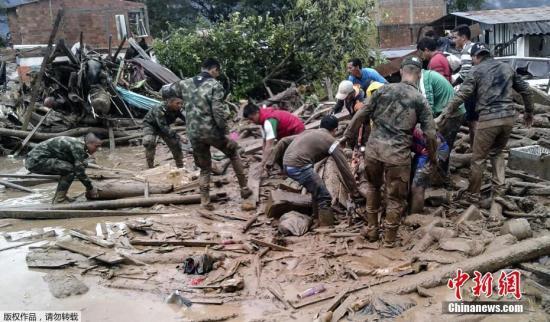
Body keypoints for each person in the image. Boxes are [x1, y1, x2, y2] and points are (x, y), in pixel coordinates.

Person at [343, 56, 437, 247]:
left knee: (373, 188)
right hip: (397, 156)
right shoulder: (420, 100)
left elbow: (361, 114)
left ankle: (372, 231)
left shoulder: (382, 90)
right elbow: (431, 134)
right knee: (395, 198)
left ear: (401, 71)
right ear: (419, 75)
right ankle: (389, 240)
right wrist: (433, 157)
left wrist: (348, 136)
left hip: (373, 151)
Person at [439, 43, 533, 203]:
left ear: (476, 57)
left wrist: (444, 113)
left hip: (489, 119)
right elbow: (526, 89)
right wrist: (529, 112)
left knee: (478, 159)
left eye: (473, 58)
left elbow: (462, 94)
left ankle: (473, 195)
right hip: (508, 119)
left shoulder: (476, 70)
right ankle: (499, 193)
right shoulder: (507, 68)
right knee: (497, 153)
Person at [164, 58, 252, 210]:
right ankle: (244, 189)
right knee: (233, 151)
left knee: (204, 168)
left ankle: (205, 201)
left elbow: (165, 91)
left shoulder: (185, 83)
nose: (218, 75)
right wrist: (227, 133)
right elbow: (218, 111)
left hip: (193, 132)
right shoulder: (215, 85)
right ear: (214, 70)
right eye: (218, 72)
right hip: (212, 130)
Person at [269, 115, 360, 226]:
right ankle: (326, 227)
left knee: (315, 189)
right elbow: (344, 168)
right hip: (299, 166)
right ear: (335, 130)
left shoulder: (308, 132)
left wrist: (276, 164)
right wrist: (355, 192)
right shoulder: (331, 141)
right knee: (324, 196)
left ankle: (316, 217)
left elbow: (283, 141)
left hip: (288, 165)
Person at [25, 133, 102, 204]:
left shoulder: (79, 143)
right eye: (96, 146)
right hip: (35, 161)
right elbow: (79, 172)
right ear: (89, 143)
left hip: (38, 159)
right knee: (70, 170)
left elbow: (79, 162)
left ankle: (61, 196)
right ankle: (60, 199)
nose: (98, 149)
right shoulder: (78, 146)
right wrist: (91, 188)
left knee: (73, 167)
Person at [420, 69, 465, 179]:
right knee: (443, 144)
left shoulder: (423, 79)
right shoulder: (428, 75)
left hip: (451, 114)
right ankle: (441, 173)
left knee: (442, 145)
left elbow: (428, 105)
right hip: (452, 112)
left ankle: (440, 176)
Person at [242, 103, 305, 171]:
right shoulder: (263, 119)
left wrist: (262, 164)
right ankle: (286, 170)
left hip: (297, 132)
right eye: (250, 120)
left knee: (280, 152)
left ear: (256, 113)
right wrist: (264, 159)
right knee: (279, 151)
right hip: (287, 134)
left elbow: (269, 146)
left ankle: (294, 169)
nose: (252, 122)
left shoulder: (269, 121)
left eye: (252, 119)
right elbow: (265, 142)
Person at [410, 128, 449, 213]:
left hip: (433, 149)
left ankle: (415, 216)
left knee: (417, 186)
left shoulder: (418, 132)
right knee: (413, 177)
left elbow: (435, 140)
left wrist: (433, 160)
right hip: (423, 150)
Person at [143, 92, 185, 169]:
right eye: (177, 103)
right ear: (170, 102)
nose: (180, 105)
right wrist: (179, 136)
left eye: (181, 103)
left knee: (175, 143)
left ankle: (180, 166)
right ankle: (150, 167)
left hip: (164, 125)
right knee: (149, 141)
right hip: (151, 125)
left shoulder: (178, 109)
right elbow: (163, 127)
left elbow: (187, 119)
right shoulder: (159, 108)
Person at [451, 24, 478, 146]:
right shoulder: (475, 47)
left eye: (455, 37)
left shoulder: (467, 51)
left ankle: (475, 149)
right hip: (482, 88)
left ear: (463, 37)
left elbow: (465, 74)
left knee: (473, 122)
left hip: (473, 91)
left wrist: (452, 84)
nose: (453, 40)